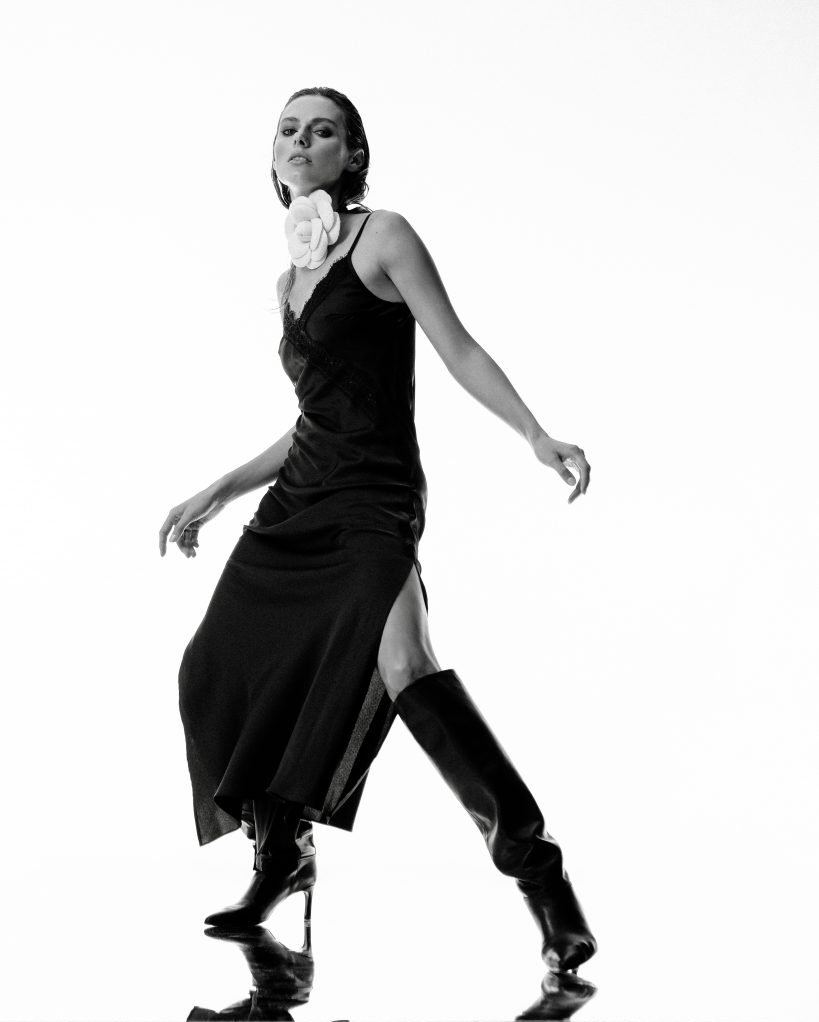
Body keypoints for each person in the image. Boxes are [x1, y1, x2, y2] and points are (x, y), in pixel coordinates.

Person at [159, 86, 596, 975]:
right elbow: (314, 417)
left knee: (406, 668)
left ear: (351, 155)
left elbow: (458, 347)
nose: (300, 140)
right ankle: (281, 853)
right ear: (272, 155)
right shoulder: (287, 281)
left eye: (322, 130)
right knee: (213, 664)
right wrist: (223, 487)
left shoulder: (383, 236)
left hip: (372, 497)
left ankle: (543, 883)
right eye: (287, 129)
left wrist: (534, 434)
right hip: (298, 502)